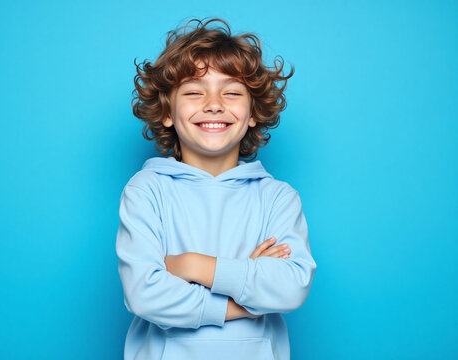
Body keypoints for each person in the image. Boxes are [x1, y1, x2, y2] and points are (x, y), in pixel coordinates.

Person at [115, 18, 316, 360]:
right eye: (194, 91)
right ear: (167, 111)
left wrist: (193, 265)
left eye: (232, 92)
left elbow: (289, 286)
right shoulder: (146, 191)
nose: (214, 103)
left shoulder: (278, 198)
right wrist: (243, 298)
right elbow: (144, 294)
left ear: (252, 113)